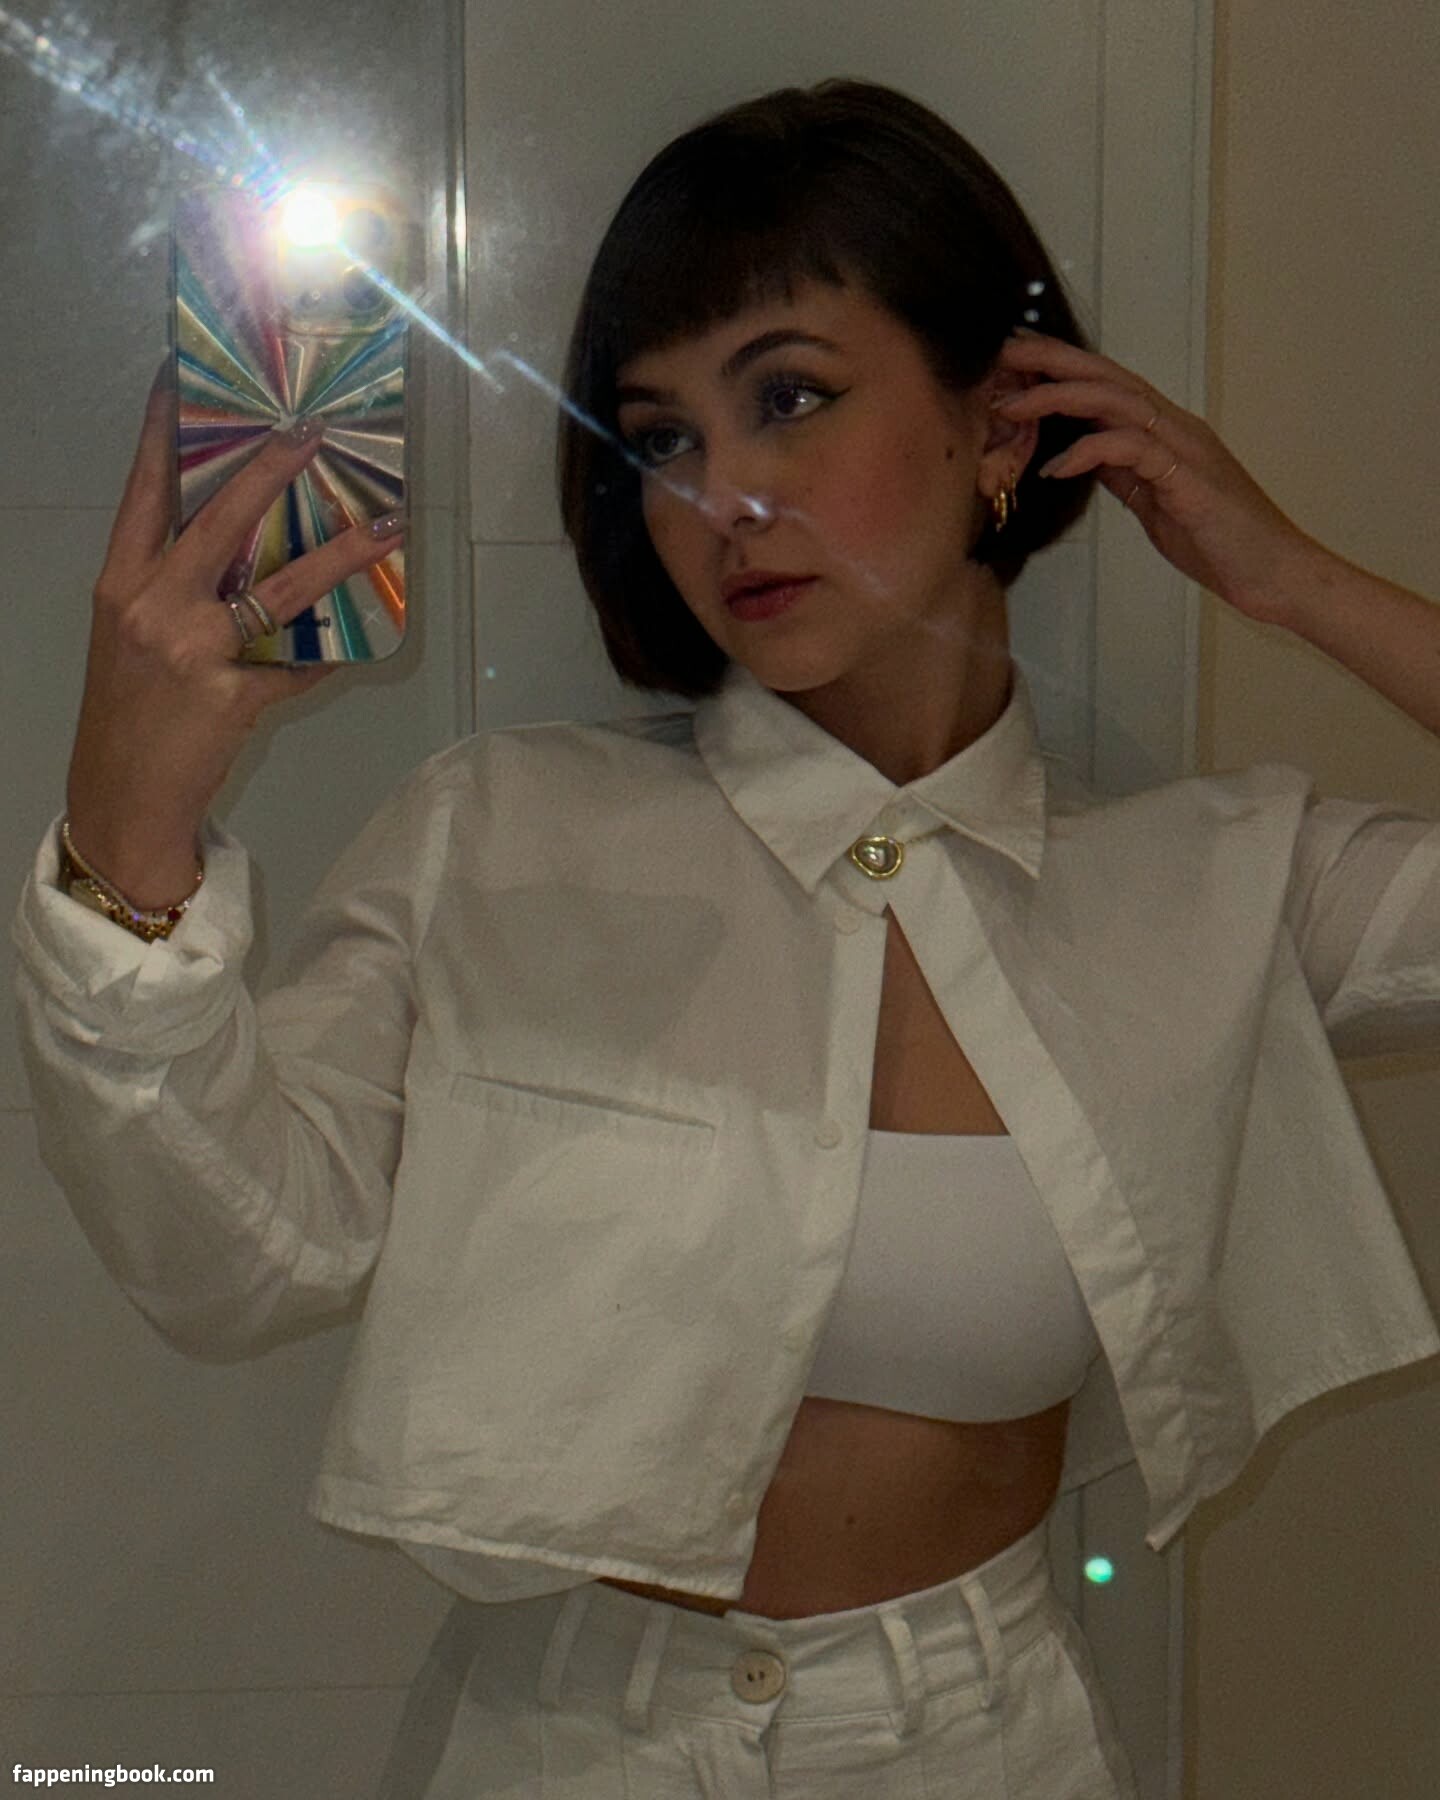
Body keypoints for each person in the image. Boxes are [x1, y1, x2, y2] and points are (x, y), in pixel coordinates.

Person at [13, 78, 1440, 1800]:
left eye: (789, 397)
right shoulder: (499, 834)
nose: (723, 496)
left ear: (1001, 427)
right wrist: (126, 837)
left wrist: (1292, 579)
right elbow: (235, 1262)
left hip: (982, 1751)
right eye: (662, 437)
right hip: (562, 1750)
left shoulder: (1205, 891)